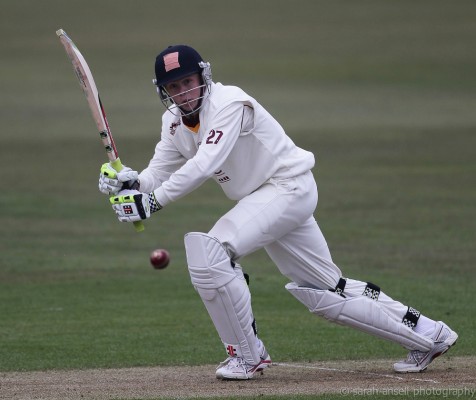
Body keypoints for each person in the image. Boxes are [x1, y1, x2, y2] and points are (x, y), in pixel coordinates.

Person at [98, 45, 458, 380]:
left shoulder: (230, 103)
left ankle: (247, 355)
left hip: (286, 187)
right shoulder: (173, 123)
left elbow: (206, 165)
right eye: (173, 86)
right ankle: (429, 334)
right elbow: (157, 172)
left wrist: (154, 202)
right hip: (268, 199)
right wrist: (130, 184)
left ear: (203, 78)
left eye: (187, 82)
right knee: (327, 292)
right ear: (164, 91)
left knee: (210, 252)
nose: (182, 92)